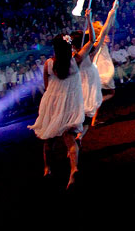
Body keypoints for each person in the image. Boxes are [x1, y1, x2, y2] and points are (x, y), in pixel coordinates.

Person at [28, 25, 94, 190]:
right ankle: (73, 169)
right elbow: (92, 40)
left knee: (49, 139)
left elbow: (46, 85)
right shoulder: (76, 60)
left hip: (53, 103)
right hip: (70, 103)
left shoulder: (48, 64)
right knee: (70, 138)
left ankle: (47, 168)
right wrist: (89, 18)